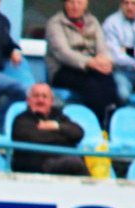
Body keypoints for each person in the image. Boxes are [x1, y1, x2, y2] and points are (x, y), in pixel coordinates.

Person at [45, 0, 120, 128]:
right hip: (63, 70)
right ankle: (97, 125)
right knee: (92, 86)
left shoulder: (93, 21)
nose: (75, 6)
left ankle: (112, 125)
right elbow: (63, 53)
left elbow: (102, 47)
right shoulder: (55, 23)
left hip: (93, 67)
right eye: (71, 2)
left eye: (79, 2)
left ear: (86, 4)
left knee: (109, 82)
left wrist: (105, 62)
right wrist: (89, 62)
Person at [11, 83, 90, 176]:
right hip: (36, 165)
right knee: (74, 162)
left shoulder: (59, 117)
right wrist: (65, 137)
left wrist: (56, 126)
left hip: (61, 162)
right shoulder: (21, 119)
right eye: (36, 96)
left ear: (51, 101)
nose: (40, 100)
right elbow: (35, 138)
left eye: (44, 96)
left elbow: (78, 133)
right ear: (28, 100)